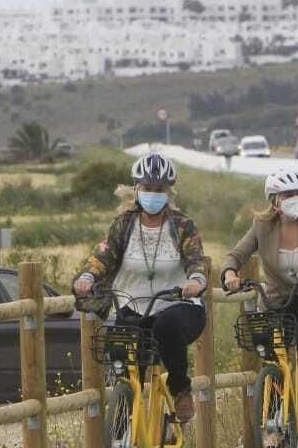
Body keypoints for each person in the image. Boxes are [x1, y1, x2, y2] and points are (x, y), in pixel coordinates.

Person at [73, 152, 209, 422]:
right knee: (123, 356)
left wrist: (196, 281)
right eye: (147, 188)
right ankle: (123, 431)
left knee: (166, 327)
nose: (153, 194)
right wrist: (87, 277)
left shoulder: (182, 225)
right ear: (136, 190)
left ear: (168, 192)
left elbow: (196, 259)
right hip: (133, 306)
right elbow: (103, 254)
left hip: (178, 305)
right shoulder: (123, 225)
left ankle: (180, 389)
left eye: (159, 189)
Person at [220, 167, 298, 410]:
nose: (295, 199)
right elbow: (236, 254)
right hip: (277, 300)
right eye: (288, 195)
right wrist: (229, 273)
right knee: (264, 343)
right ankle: (273, 421)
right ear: (275, 201)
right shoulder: (262, 226)